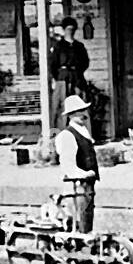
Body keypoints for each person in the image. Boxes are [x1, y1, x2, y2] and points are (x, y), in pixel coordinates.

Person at [54, 95, 99, 232]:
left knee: (88, 213)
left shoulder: (84, 131)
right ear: (70, 115)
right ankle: (80, 242)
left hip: (88, 183)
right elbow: (68, 164)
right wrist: (83, 174)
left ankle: (86, 240)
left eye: (83, 110)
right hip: (78, 184)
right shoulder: (67, 135)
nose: (82, 114)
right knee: (80, 215)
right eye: (77, 112)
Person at [50, 17, 90, 126]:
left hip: (77, 79)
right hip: (62, 79)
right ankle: (61, 133)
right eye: (68, 29)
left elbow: (85, 62)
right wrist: (59, 77)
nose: (70, 32)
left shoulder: (79, 47)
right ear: (64, 30)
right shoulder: (58, 46)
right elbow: (53, 65)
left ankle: (80, 133)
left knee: (79, 104)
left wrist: (77, 73)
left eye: (72, 30)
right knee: (61, 107)